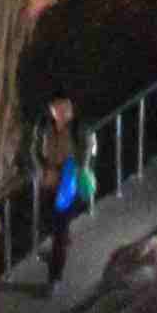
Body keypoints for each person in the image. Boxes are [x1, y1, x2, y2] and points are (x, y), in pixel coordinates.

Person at [36, 94, 95, 290]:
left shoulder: (79, 128)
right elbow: (34, 149)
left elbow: (87, 149)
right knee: (47, 220)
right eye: (56, 107)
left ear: (70, 108)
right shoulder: (45, 126)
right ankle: (59, 247)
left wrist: (80, 168)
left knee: (60, 228)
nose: (60, 112)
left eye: (64, 107)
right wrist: (44, 168)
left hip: (68, 180)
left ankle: (54, 278)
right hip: (49, 180)